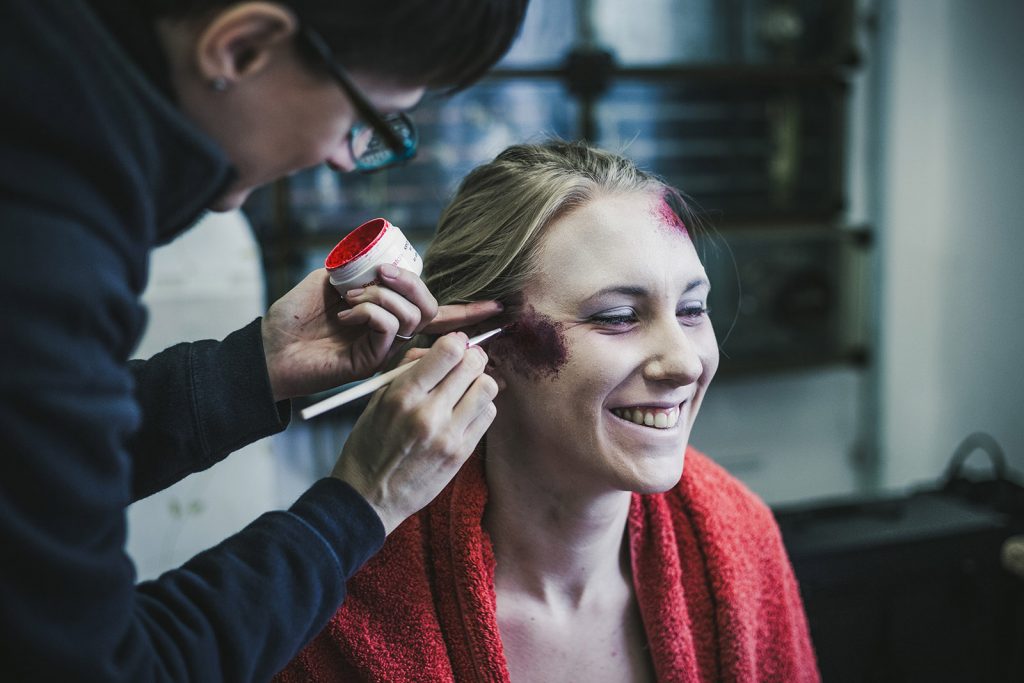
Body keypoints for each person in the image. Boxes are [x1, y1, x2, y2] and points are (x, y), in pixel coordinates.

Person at [0, 0, 529, 680]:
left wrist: (254, 368)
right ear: (241, 47)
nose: (344, 161)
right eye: (363, 121)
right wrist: (361, 503)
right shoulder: (45, 247)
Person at [277, 141, 820, 682]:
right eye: (618, 317)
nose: (684, 363)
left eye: (692, 309)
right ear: (482, 344)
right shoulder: (330, 614)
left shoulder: (741, 540)